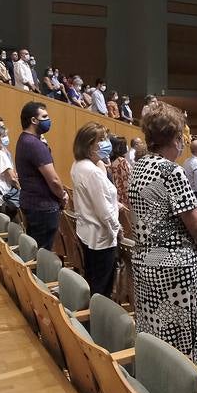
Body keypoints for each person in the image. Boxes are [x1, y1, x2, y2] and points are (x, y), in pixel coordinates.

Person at [128, 100, 197, 368]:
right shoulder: (170, 171)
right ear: (176, 138)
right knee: (179, 337)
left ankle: (156, 381)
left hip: (145, 259)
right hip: (173, 265)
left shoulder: (140, 167)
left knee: (154, 329)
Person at [71, 123, 121, 298]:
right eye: (101, 140)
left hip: (87, 232)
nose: (106, 143)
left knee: (93, 280)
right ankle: (99, 323)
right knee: (102, 288)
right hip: (101, 235)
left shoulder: (79, 165)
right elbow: (104, 212)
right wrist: (117, 229)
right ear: (89, 144)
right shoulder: (93, 172)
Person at [16, 101, 67, 252]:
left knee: (34, 249)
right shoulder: (35, 144)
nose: (48, 120)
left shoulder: (24, 139)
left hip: (31, 204)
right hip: (43, 207)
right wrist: (63, 194)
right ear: (33, 120)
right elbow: (54, 180)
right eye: (44, 116)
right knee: (42, 253)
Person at [107, 136, 132, 207]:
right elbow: (127, 182)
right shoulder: (122, 162)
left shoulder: (111, 161)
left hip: (116, 199)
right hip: (124, 200)